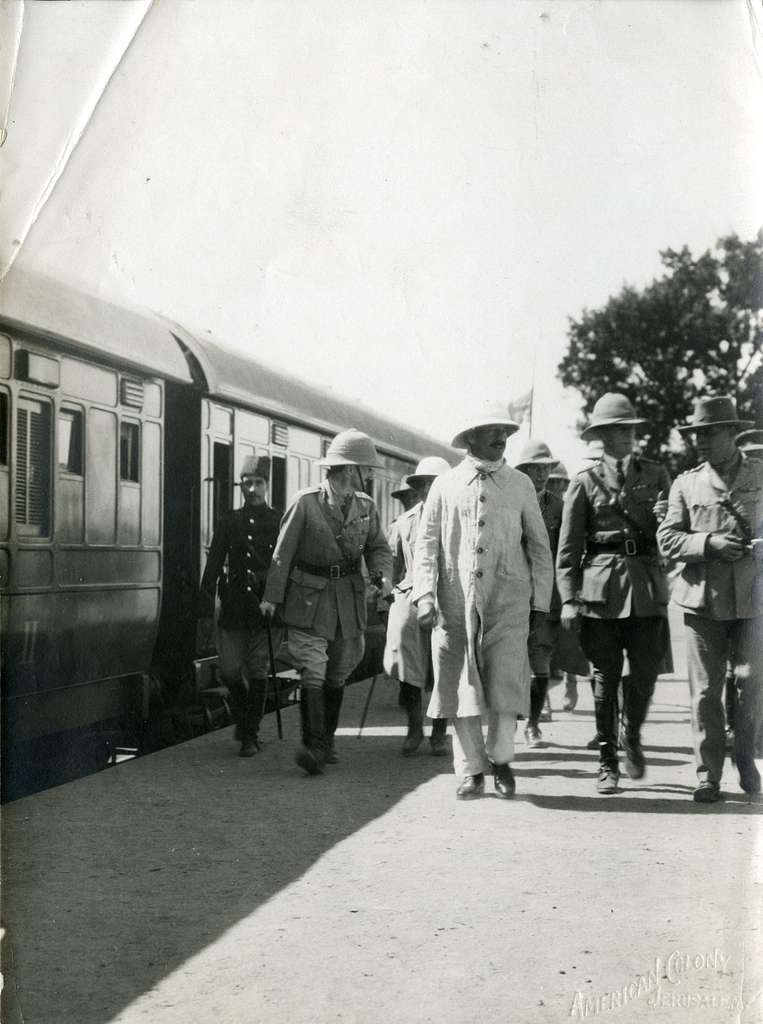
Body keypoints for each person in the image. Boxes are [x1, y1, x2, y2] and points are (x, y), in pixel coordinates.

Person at [412, 401, 553, 800]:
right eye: (492, 430)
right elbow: (426, 544)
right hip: (455, 602)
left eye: (505, 432)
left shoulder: (521, 485)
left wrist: (540, 604)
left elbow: (540, 548)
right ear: (471, 436)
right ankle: (472, 770)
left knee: (507, 681)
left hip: (508, 600)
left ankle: (502, 760)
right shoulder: (445, 485)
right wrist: (425, 595)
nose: (501, 438)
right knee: (461, 686)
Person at [260, 429, 392, 775]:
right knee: (313, 668)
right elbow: (281, 554)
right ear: (350, 469)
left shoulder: (366, 507)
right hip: (309, 598)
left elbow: (378, 547)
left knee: (338, 670)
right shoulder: (306, 503)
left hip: (348, 598)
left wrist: (381, 574)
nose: (370, 477)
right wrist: (271, 598)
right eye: (366, 470)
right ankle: (313, 746)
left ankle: (327, 740)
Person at [557, 393, 671, 794]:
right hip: (600, 592)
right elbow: (569, 550)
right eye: (619, 430)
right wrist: (569, 598)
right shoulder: (583, 483)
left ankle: (632, 736)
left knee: (644, 674)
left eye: (631, 430)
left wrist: (664, 524)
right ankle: (607, 762)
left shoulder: (656, 476)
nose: (627, 436)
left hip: (645, 588)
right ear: (602, 436)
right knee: (604, 680)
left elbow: (669, 536)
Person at [657, 396, 763, 802]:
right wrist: (709, 543)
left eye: (708, 432)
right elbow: (667, 538)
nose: (699, 441)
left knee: (751, 682)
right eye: (695, 434)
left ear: (731, 433)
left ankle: (746, 755)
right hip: (702, 601)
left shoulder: (759, 476)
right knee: (704, 692)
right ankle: (708, 774)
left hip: (753, 599)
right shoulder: (685, 483)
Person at [198, 454, 282, 757]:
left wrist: (275, 597)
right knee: (231, 672)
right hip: (234, 606)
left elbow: (283, 566)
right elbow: (214, 563)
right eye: (247, 483)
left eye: (258, 483)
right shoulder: (229, 521)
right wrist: (205, 606)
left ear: (266, 486)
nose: (252, 489)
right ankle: (247, 720)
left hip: (263, 607)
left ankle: (250, 734)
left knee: (257, 669)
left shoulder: (278, 521)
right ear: (241, 486)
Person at [383, 456, 452, 756]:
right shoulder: (404, 523)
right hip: (411, 595)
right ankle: (414, 727)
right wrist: (388, 590)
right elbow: (390, 565)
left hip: (448, 597)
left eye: (434, 484)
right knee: (408, 659)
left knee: (444, 665)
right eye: (424, 484)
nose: (428, 490)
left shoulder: (459, 519)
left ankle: (439, 731)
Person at [514, 440, 564, 747]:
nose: (542, 474)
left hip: (545, 596)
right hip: (510, 593)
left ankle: (533, 724)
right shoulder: (509, 499)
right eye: (535, 468)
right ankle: (507, 721)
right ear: (523, 470)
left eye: (546, 468)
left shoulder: (559, 507)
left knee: (541, 662)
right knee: (507, 661)